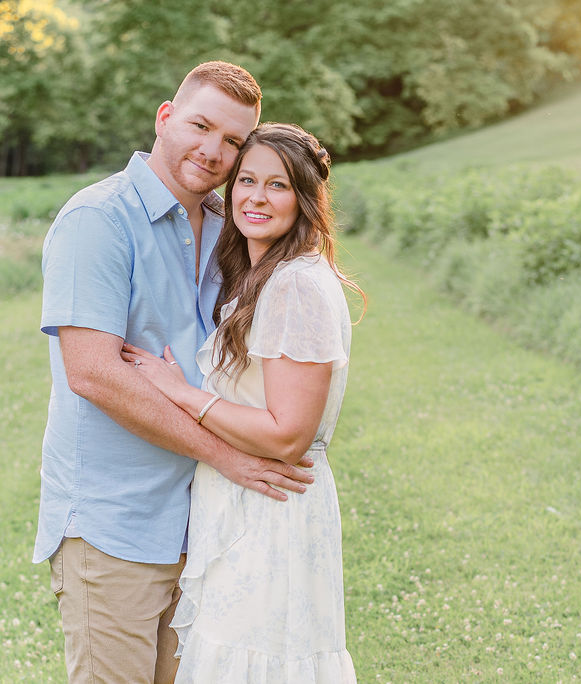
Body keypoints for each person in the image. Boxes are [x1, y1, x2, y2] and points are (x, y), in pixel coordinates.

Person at [36, 62, 317, 684]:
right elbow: (94, 375)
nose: (213, 151)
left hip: (203, 525)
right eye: (200, 126)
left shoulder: (229, 228)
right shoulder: (98, 220)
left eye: (234, 141)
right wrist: (227, 455)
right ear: (166, 118)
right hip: (115, 525)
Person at [123, 122, 362, 682]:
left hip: (272, 508)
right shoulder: (263, 276)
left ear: (304, 198)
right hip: (243, 505)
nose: (255, 196)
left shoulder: (295, 286)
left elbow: (288, 435)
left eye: (277, 185)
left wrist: (181, 393)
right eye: (246, 180)